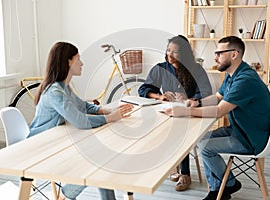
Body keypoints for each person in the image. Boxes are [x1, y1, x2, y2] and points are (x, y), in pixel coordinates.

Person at [164, 36, 270, 200]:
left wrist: (185, 112)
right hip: (241, 130)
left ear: (234, 54)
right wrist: (195, 102)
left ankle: (228, 185)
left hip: (251, 138)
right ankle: (218, 189)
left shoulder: (245, 80)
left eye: (219, 53)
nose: (215, 57)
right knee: (201, 139)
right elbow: (216, 98)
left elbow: (219, 111)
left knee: (205, 147)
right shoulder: (233, 75)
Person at [29, 41, 134, 200]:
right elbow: (80, 121)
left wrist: (105, 110)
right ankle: (66, 193)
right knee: (99, 159)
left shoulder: (63, 86)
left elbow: (82, 106)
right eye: (78, 59)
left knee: (101, 156)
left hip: (57, 139)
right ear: (68, 61)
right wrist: (110, 118)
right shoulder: (55, 91)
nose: (82, 63)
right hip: (41, 146)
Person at [138, 35, 212, 191]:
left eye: (175, 52)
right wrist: (160, 96)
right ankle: (173, 166)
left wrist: (190, 98)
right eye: (168, 50)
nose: (170, 55)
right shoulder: (161, 68)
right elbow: (143, 89)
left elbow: (205, 91)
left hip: (189, 114)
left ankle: (184, 173)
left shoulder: (196, 69)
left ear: (184, 54)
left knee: (180, 133)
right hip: (168, 113)